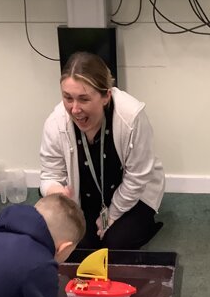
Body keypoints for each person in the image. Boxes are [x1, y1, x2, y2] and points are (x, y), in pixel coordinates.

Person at [40, 51, 165, 250]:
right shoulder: (55, 123)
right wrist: (57, 193)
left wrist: (112, 215)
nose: (74, 109)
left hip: (131, 195)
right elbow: (50, 175)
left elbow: (138, 176)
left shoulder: (132, 117)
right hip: (84, 199)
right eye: (68, 98)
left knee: (115, 244)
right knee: (78, 245)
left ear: (106, 96)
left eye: (84, 99)